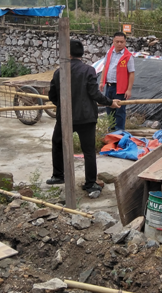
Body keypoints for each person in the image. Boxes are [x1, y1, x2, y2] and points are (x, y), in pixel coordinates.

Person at [47, 39, 120, 197]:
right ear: (82, 54)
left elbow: (51, 95)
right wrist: (110, 103)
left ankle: (58, 175)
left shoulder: (60, 71)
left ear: (68, 53)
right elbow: (94, 94)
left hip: (65, 117)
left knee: (57, 143)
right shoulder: (89, 70)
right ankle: (90, 183)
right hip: (86, 118)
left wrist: (62, 105)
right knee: (88, 151)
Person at [99, 32, 135, 130]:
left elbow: (131, 73)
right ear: (113, 42)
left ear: (125, 42)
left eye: (121, 42)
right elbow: (105, 66)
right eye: (117, 41)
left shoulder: (128, 56)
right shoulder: (109, 52)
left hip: (120, 88)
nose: (119, 44)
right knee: (109, 109)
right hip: (109, 86)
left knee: (119, 111)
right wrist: (102, 82)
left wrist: (129, 89)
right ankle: (111, 130)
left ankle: (119, 133)